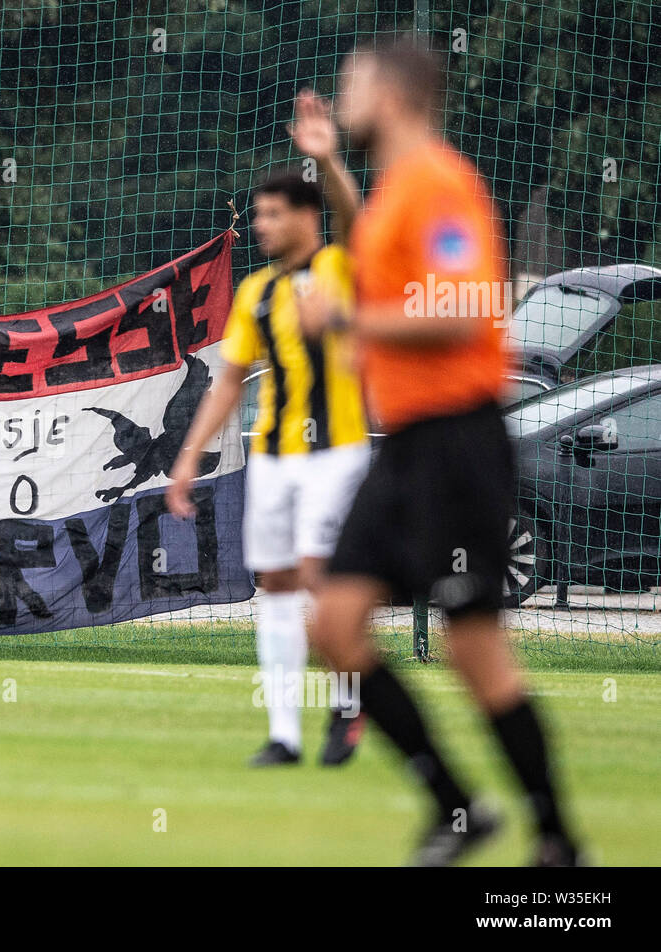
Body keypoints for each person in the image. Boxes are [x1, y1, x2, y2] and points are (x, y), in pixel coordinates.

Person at [300, 34, 582, 866]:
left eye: (352, 83)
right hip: (406, 447)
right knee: (336, 624)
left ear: (392, 94)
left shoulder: (440, 182)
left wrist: (348, 322)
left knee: (473, 648)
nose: (343, 97)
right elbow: (383, 271)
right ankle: (457, 810)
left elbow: (462, 312)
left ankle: (559, 843)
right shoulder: (393, 193)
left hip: (459, 439)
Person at [168, 110, 370, 767]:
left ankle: (347, 703)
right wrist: (189, 456)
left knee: (318, 581)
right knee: (277, 586)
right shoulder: (256, 292)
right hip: (274, 459)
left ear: (307, 217)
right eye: (258, 215)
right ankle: (284, 735)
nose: (260, 226)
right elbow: (229, 381)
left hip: (335, 453)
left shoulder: (339, 268)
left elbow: (358, 225)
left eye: (274, 214)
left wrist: (329, 159)